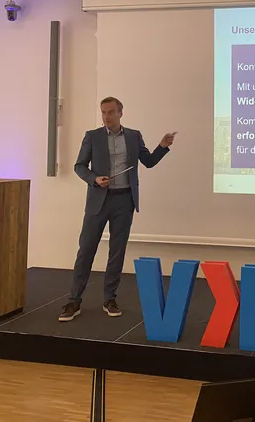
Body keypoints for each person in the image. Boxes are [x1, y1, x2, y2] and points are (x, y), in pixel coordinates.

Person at [59, 96, 176, 322]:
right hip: (98, 201)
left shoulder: (133, 136)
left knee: (117, 251)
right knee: (86, 250)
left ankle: (110, 299)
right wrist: (94, 179)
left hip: (124, 201)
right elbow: (79, 166)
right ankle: (74, 300)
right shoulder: (92, 136)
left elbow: (148, 162)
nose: (106, 116)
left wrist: (162, 147)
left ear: (120, 113)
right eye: (103, 112)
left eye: (111, 112)